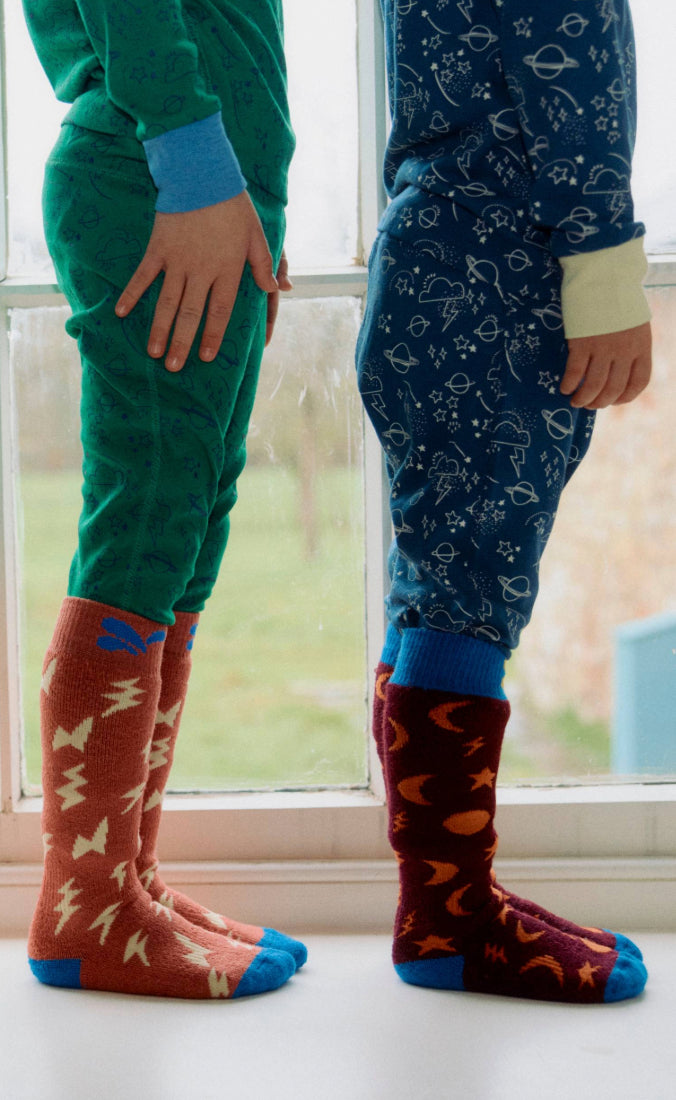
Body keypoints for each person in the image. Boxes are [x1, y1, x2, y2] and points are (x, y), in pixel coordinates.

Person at [359, 0, 651, 1002]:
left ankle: (449, 898)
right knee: (464, 585)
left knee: (437, 576)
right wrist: (605, 263)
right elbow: (563, 63)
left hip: (438, 246)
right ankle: (448, 917)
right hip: (500, 265)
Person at [21, 0, 306, 999]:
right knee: (144, 530)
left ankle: (123, 877)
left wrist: (246, 196)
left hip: (206, 188)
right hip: (159, 178)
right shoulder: (171, 161)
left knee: (182, 533)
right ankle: (83, 905)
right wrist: (192, 163)